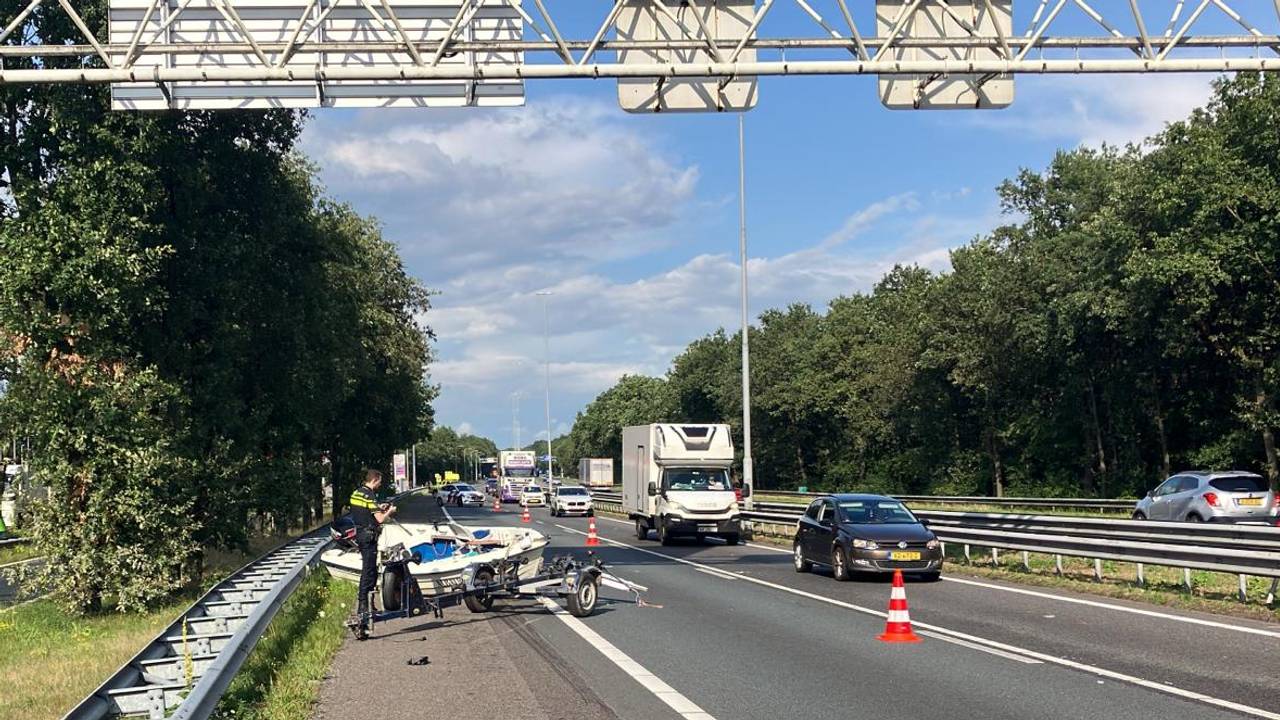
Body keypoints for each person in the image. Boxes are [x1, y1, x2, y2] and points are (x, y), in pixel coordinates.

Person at [348, 468, 396, 638]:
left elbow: (365, 512)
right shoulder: (369, 495)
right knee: (368, 572)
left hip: (360, 534)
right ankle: (363, 606)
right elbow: (380, 519)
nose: (380, 485)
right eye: (379, 482)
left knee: (369, 570)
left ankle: (367, 603)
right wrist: (389, 511)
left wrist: (379, 507)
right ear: (375, 480)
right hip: (369, 537)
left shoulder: (356, 493)